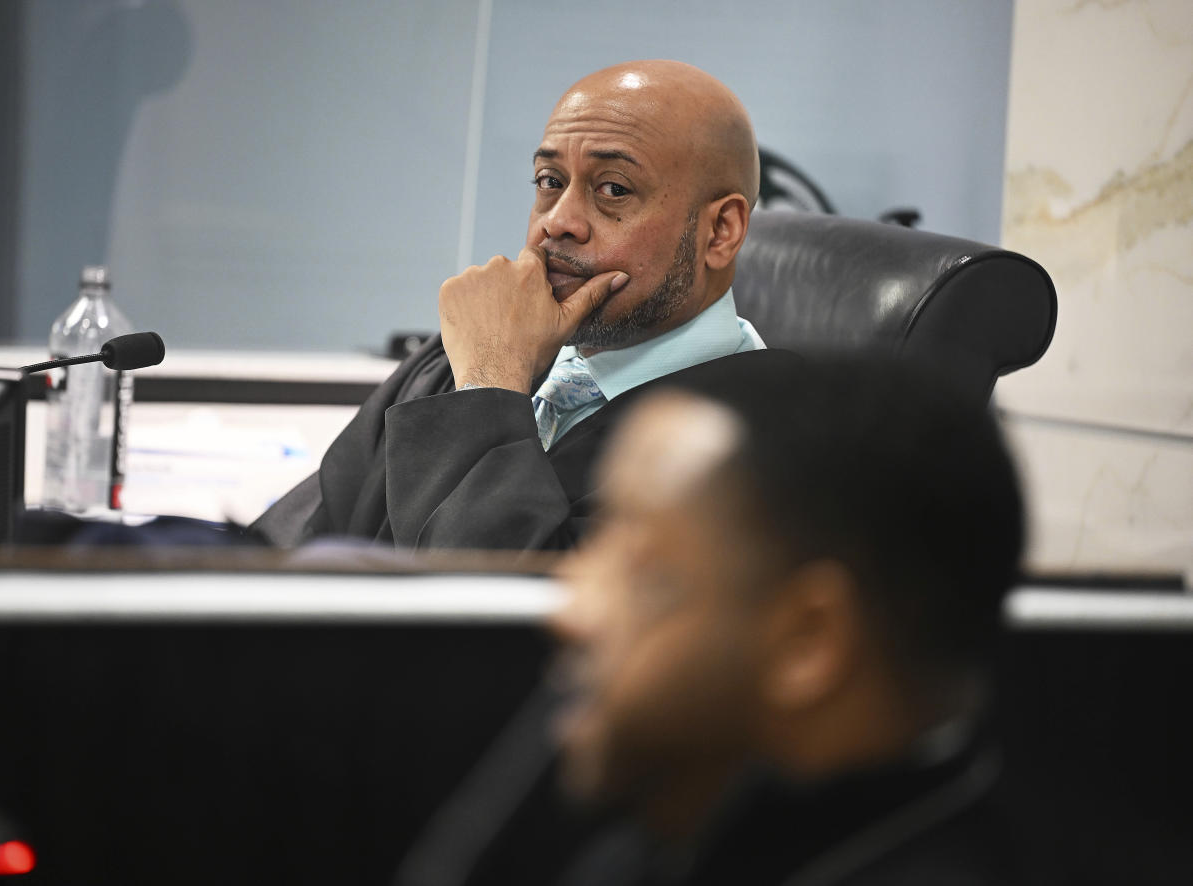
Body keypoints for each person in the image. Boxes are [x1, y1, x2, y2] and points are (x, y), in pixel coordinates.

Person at [541, 351, 1051, 885]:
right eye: (597, 546)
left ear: (809, 641)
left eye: (646, 576)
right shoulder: (665, 847)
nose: (572, 613)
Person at [250, 60, 765, 549]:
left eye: (613, 189)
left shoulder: (744, 447)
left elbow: (500, 625)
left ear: (720, 232)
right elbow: (288, 547)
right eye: (550, 182)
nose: (556, 222)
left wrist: (491, 382)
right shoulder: (475, 351)